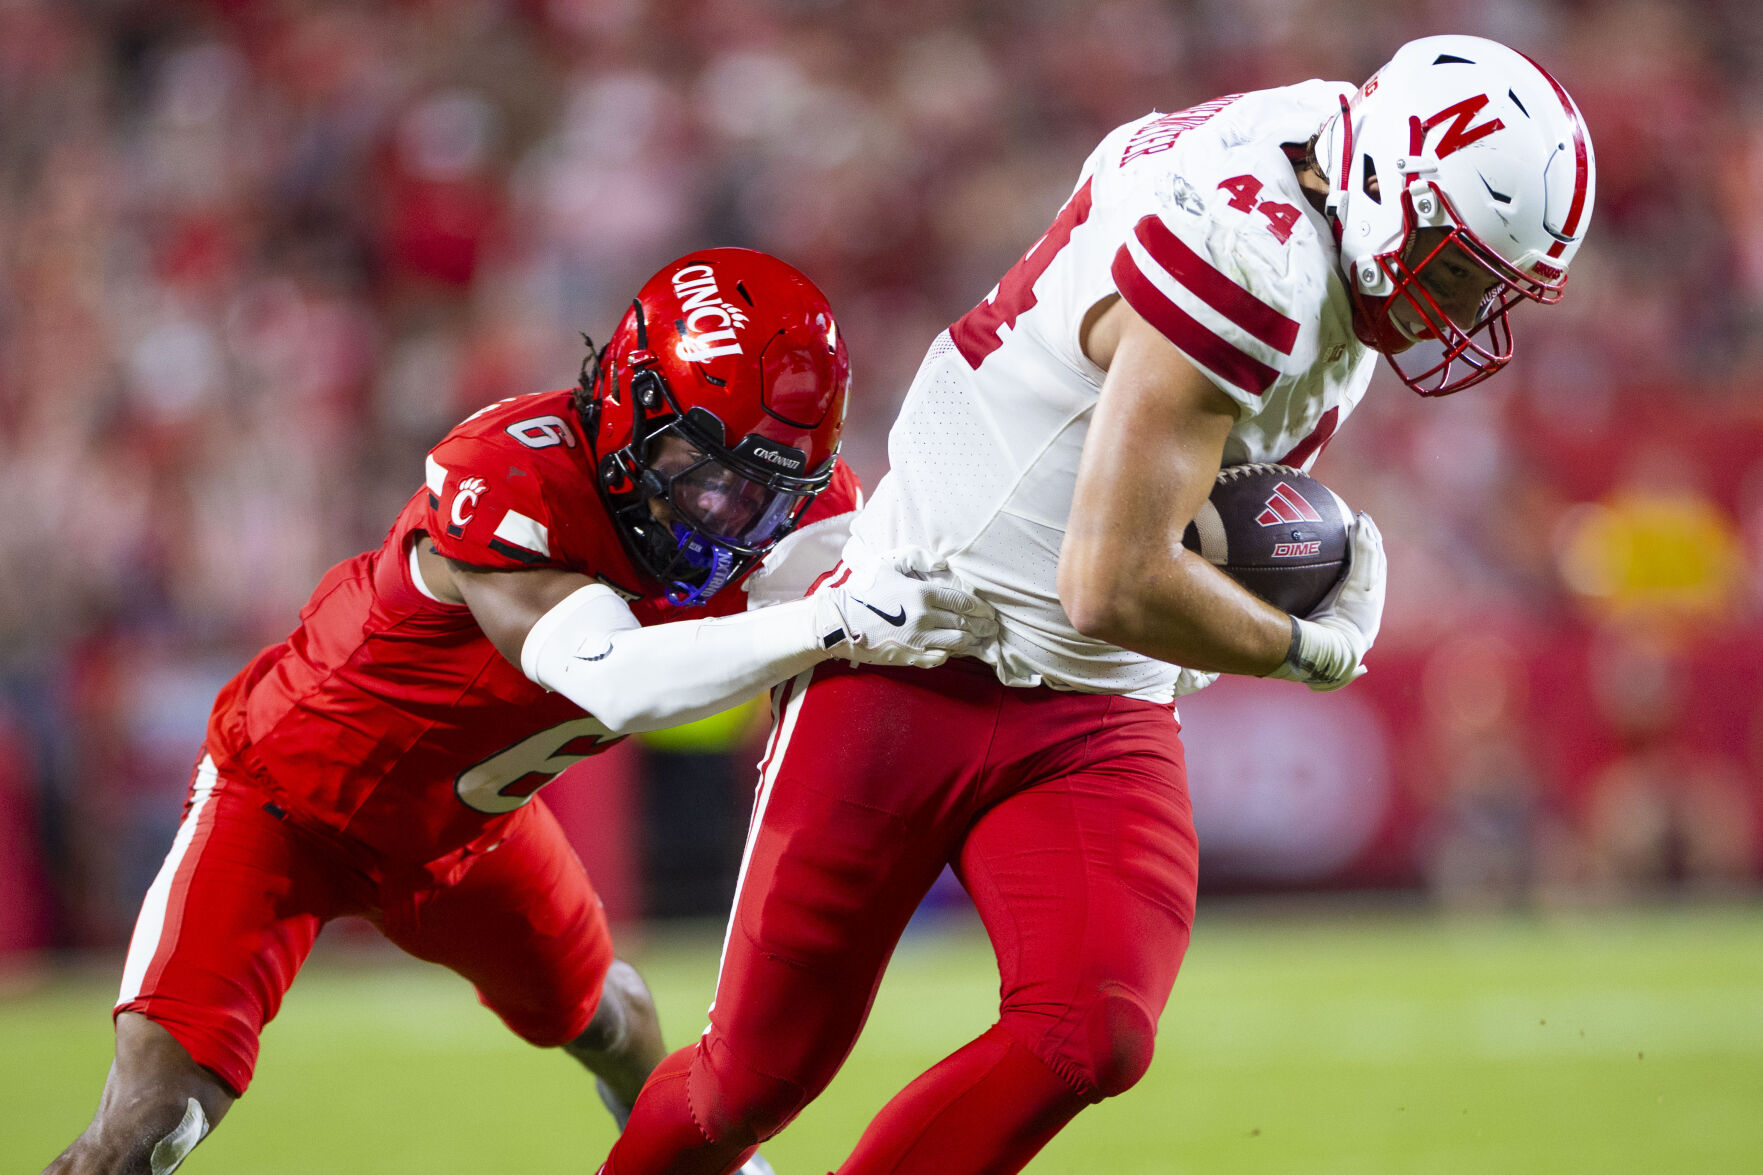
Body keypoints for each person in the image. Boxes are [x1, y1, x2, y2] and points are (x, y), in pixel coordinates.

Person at [602, 34, 1596, 1175]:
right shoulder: (1246, 252)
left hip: (1086, 689)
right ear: (1383, 190)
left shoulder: (1329, 140)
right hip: (920, 635)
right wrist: (1308, 648)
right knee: (749, 1082)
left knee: (1094, 1024)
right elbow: (1112, 576)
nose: (1461, 313)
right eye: (1460, 271)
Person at [44, 247, 995, 1175]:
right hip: (287, 806)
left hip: (470, 831)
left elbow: (894, 616)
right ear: (633, 405)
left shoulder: (792, 511)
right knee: (149, 1129)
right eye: (705, 467)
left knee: (616, 1021)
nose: (728, 511)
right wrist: (832, 620)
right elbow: (617, 675)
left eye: (762, 488)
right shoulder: (511, 477)